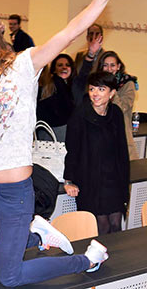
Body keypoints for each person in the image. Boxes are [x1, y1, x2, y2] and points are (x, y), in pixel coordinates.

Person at [0, 0, 115, 286]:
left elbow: (68, 33)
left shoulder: (24, 65)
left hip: (13, 190)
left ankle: (87, 260)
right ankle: (36, 234)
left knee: (9, 277)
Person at [64, 71, 129, 235]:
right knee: (101, 226)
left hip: (113, 179)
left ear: (112, 93)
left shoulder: (116, 113)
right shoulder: (80, 114)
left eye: (101, 89)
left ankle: (116, 259)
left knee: (116, 224)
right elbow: (72, 150)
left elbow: (122, 150)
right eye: (92, 89)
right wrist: (68, 180)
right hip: (90, 179)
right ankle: (99, 260)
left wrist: (124, 184)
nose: (95, 93)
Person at [98, 50, 139, 160]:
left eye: (112, 65)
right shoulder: (96, 84)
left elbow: (121, 108)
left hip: (122, 138)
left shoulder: (127, 83)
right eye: (105, 65)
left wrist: (112, 91)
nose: (109, 69)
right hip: (102, 139)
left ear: (118, 66)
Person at [36, 54, 76, 141]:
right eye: (60, 65)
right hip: (55, 131)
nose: (64, 68)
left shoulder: (72, 85)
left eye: (67, 65)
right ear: (54, 69)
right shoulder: (54, 84)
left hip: (51, 130)